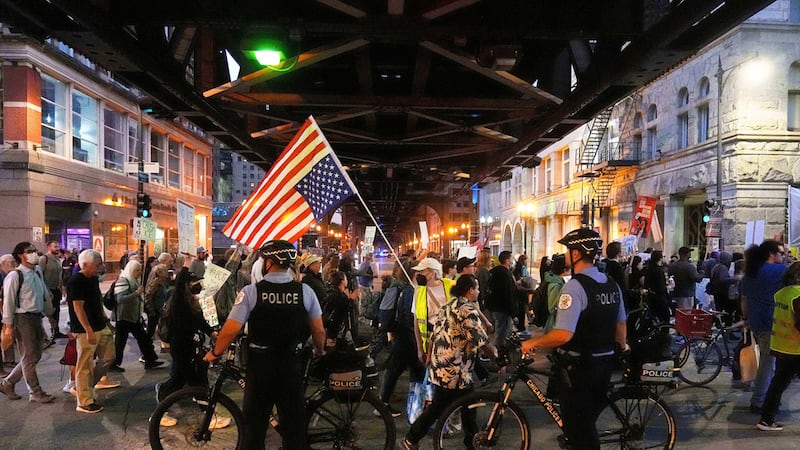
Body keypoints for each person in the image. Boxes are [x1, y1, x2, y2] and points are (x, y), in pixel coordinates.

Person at [204, 240, 326, 450]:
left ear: (268, 263)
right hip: (290, 365)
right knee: (294, 429)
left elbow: (231, 329)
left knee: (254, 427)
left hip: (260, 367)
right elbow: (319, 331)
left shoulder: (251, 292)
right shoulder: (305, 292)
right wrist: (319, 350)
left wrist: (215, 353)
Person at [521, 228, 627, 449]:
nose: (566, 254)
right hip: (604, 364)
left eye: (568, 250)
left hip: (580, 370)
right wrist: (619, 347)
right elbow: (621, 325)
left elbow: (563, 333)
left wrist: (534, 342)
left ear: (577, 253)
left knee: (581, 433)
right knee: (587, 422)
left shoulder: (574, 287)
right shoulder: (611, 284)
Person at [402, 274, 497, 449]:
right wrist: (498, 359)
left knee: (468, 405)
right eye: (477, 288)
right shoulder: (465, 310)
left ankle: (471, 441)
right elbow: (481, 340)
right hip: (454, 370)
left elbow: (435, 333)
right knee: (439, 408)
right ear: (470, 290)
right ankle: (410, 439)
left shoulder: (448, 305)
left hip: (443, 366)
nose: (479, 291)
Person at [0, 242, 56, 403]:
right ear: (20, 255)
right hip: (22, 319)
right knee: (30, 356)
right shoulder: (15, 275)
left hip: (36, 317)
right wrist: (8, 326)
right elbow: (8, 302)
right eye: (29, 251)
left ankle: (8, 383)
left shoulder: (36, 272)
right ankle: (35, 392)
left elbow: (44, 295)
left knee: (33, 355)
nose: (34, 254)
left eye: (35, 251)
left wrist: (50, 314)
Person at [156, 269, 218, 413]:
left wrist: (211, 332)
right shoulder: (179, 301)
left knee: (189, 379)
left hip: (189, 345)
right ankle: (161, 406)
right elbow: (192, 320)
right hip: (182, 346)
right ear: (186, 284)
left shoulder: (189, 301)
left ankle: (206, 412)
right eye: (194, 282)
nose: (198, 285)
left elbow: (199, 320)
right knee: (186, 379)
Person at [66, 249, 118, 413]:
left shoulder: (93, 279)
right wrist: (88, 329)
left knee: (109, 357)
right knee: (84, 365)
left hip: (100, 325)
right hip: (84, 329)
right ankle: (84, 400)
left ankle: (84, 388)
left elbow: (97, 301)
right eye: (98, 264)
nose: (101, 267)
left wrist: (105, 320)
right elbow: (78, 308)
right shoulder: (76, 281)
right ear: (86, 265)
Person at [741, 239, 787, 414]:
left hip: (755, 321)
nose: (783, 257)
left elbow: (743, 299)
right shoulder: (779, 271)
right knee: (768, 363)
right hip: (771, 322)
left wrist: (745, 318)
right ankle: (759, 400)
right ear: (771, 254)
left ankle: (766, 396)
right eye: (781, 254)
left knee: (769, 361)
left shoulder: (750, 272)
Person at [756, 261, 800, 431]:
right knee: (779, 384)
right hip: (796, 348)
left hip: (782, 347)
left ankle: (766, 420)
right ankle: (766, 419)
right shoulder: (798, 295)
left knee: (778, 385)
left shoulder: (781, 293)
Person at [378, 260, 423, 416]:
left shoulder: (398, 286)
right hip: (406, 334)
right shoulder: (409, 290)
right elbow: (409, 315)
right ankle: (383, 405)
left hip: (400, 333)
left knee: (404, 368)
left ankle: (414, 404)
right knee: (399, 368)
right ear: (414, 273)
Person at [110, 260, 163, 372]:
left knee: (143, 338)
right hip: (123, 316)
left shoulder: (134, 280)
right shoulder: (123, 280)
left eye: (140, 270)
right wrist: (136, 293)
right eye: (137, 270)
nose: (139, 272)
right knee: (121, 342)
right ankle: (113, 363)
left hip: (133, 316)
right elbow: (120, 299)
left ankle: (150, 359)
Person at [411, 257, 455, 365]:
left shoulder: (452, 285)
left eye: (422, 271)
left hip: (451, 339)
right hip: (430, 343)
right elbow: (416, 321)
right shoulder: (418, 292)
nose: (418, 274)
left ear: (432, 273)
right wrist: (420, 348)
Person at [484, 250, 517, 347]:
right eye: (511, 258)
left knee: (502, 330)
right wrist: (513, 312)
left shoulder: (495, 272)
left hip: (496, 306)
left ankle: (501, 351)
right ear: (507, 260)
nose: (512, 260)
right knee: (502, 332)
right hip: (503, 308)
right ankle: (498, 352)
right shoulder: (505, 274)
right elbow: (507, 293)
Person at [323, 271, 358, 347]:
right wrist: (351, 300)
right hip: (337, 331)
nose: (347, 281)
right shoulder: (341, 297)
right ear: (342, 281)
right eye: (346, 279)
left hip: (328, 329)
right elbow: (345, 311)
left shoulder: (330, 293)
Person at [40, 240, 66, 342]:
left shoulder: (58, 260)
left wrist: (61, 287)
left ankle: (56, 331)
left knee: (56, 311)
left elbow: (60, 275)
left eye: (58, 246)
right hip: (47, 290)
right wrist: (43, 290)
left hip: (56, 290)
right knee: (47, 312)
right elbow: (40, 275)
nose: (57, 248)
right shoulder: (44, 259)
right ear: (49, 247)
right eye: (55, 246)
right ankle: (42, 334)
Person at [143, 264, 172, 341]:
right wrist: (151, 310)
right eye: (165, 271)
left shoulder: (163, 282)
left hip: (159, 309)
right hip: (154, 310)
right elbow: (148, 297)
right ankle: (147, 345)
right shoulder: (156, 283)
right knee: (150, 330)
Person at [0, 253, 18, 373]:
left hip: (6, 309)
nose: (14, 266)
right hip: (3, 309)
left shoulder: (8, 275)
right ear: (4, 264)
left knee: (8, 336)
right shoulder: (2, 275)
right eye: (12, 264)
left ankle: (9, 360)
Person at [644, 250, 670, 323]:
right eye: (664, 256)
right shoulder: (658, 270)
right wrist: (668, 287)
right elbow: (661, 287)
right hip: (659, 297)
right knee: (665, 316)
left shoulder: (649, 268)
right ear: (660, 258)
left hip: (651, 296)